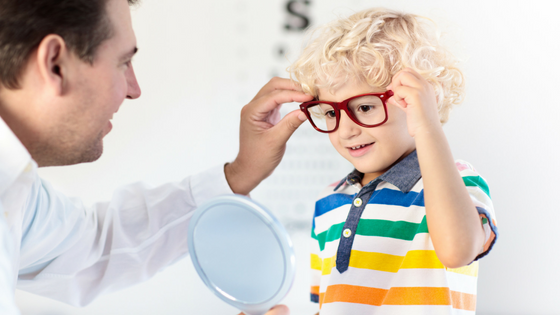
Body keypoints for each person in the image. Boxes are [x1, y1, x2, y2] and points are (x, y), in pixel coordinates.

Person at [0, 0, 312, 314]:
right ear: (55, 64)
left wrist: (239, 174)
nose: (134, 89)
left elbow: (94, 246)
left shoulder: (14, 191)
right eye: (123, 63)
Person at [288, 8, 498, 314]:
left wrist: (427, 127)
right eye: (332, 112)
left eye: (365, 107)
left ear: (423, 100)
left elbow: (457, 251)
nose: (346, 129)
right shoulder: (328, 200)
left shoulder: (455, 180)